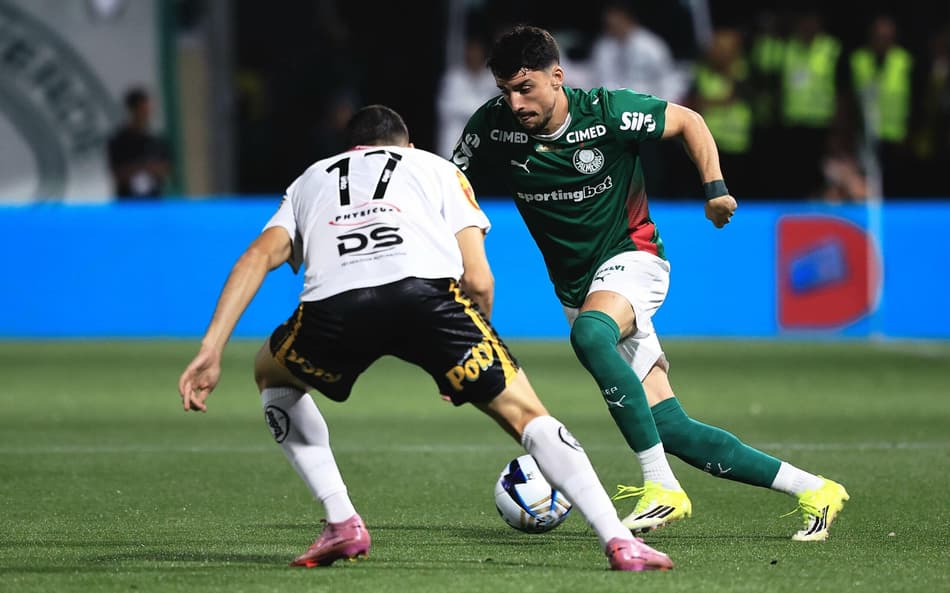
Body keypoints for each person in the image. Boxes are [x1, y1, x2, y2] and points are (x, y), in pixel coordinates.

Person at [177, 104, 673, 571]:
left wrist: (211, 348)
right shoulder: (436, 168)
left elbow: (255, 259)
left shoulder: (310, 179)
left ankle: (341, 521)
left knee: (271, 374)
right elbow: (478, 278)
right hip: (428, 302)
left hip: (334, 306)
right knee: (526, 414)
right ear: (406, 144)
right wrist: (461, 357)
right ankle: (619, 541)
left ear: (347, 149)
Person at [450, 25, 849, 541]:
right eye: (505, 90)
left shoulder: (608, 112)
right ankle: (815, 489)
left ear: (557, 76)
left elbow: (689, 120)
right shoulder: (493, 126)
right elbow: (450, 178)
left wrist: (715, 189)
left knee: (591, 335)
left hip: (634, 258)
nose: (516, 101)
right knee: (672, 426)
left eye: (526, 87)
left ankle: (661, 487)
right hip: (577, 288)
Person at [106, 86, 171, 199]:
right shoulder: (119, 142)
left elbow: (165, 169)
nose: (146, 114)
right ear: (132, 110)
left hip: (154, 202)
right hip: (128, 203)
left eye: (147, 110)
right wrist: (141, 167)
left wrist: (151, 168)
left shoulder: (156, 141)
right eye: (142, 110)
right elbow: (117, 173)